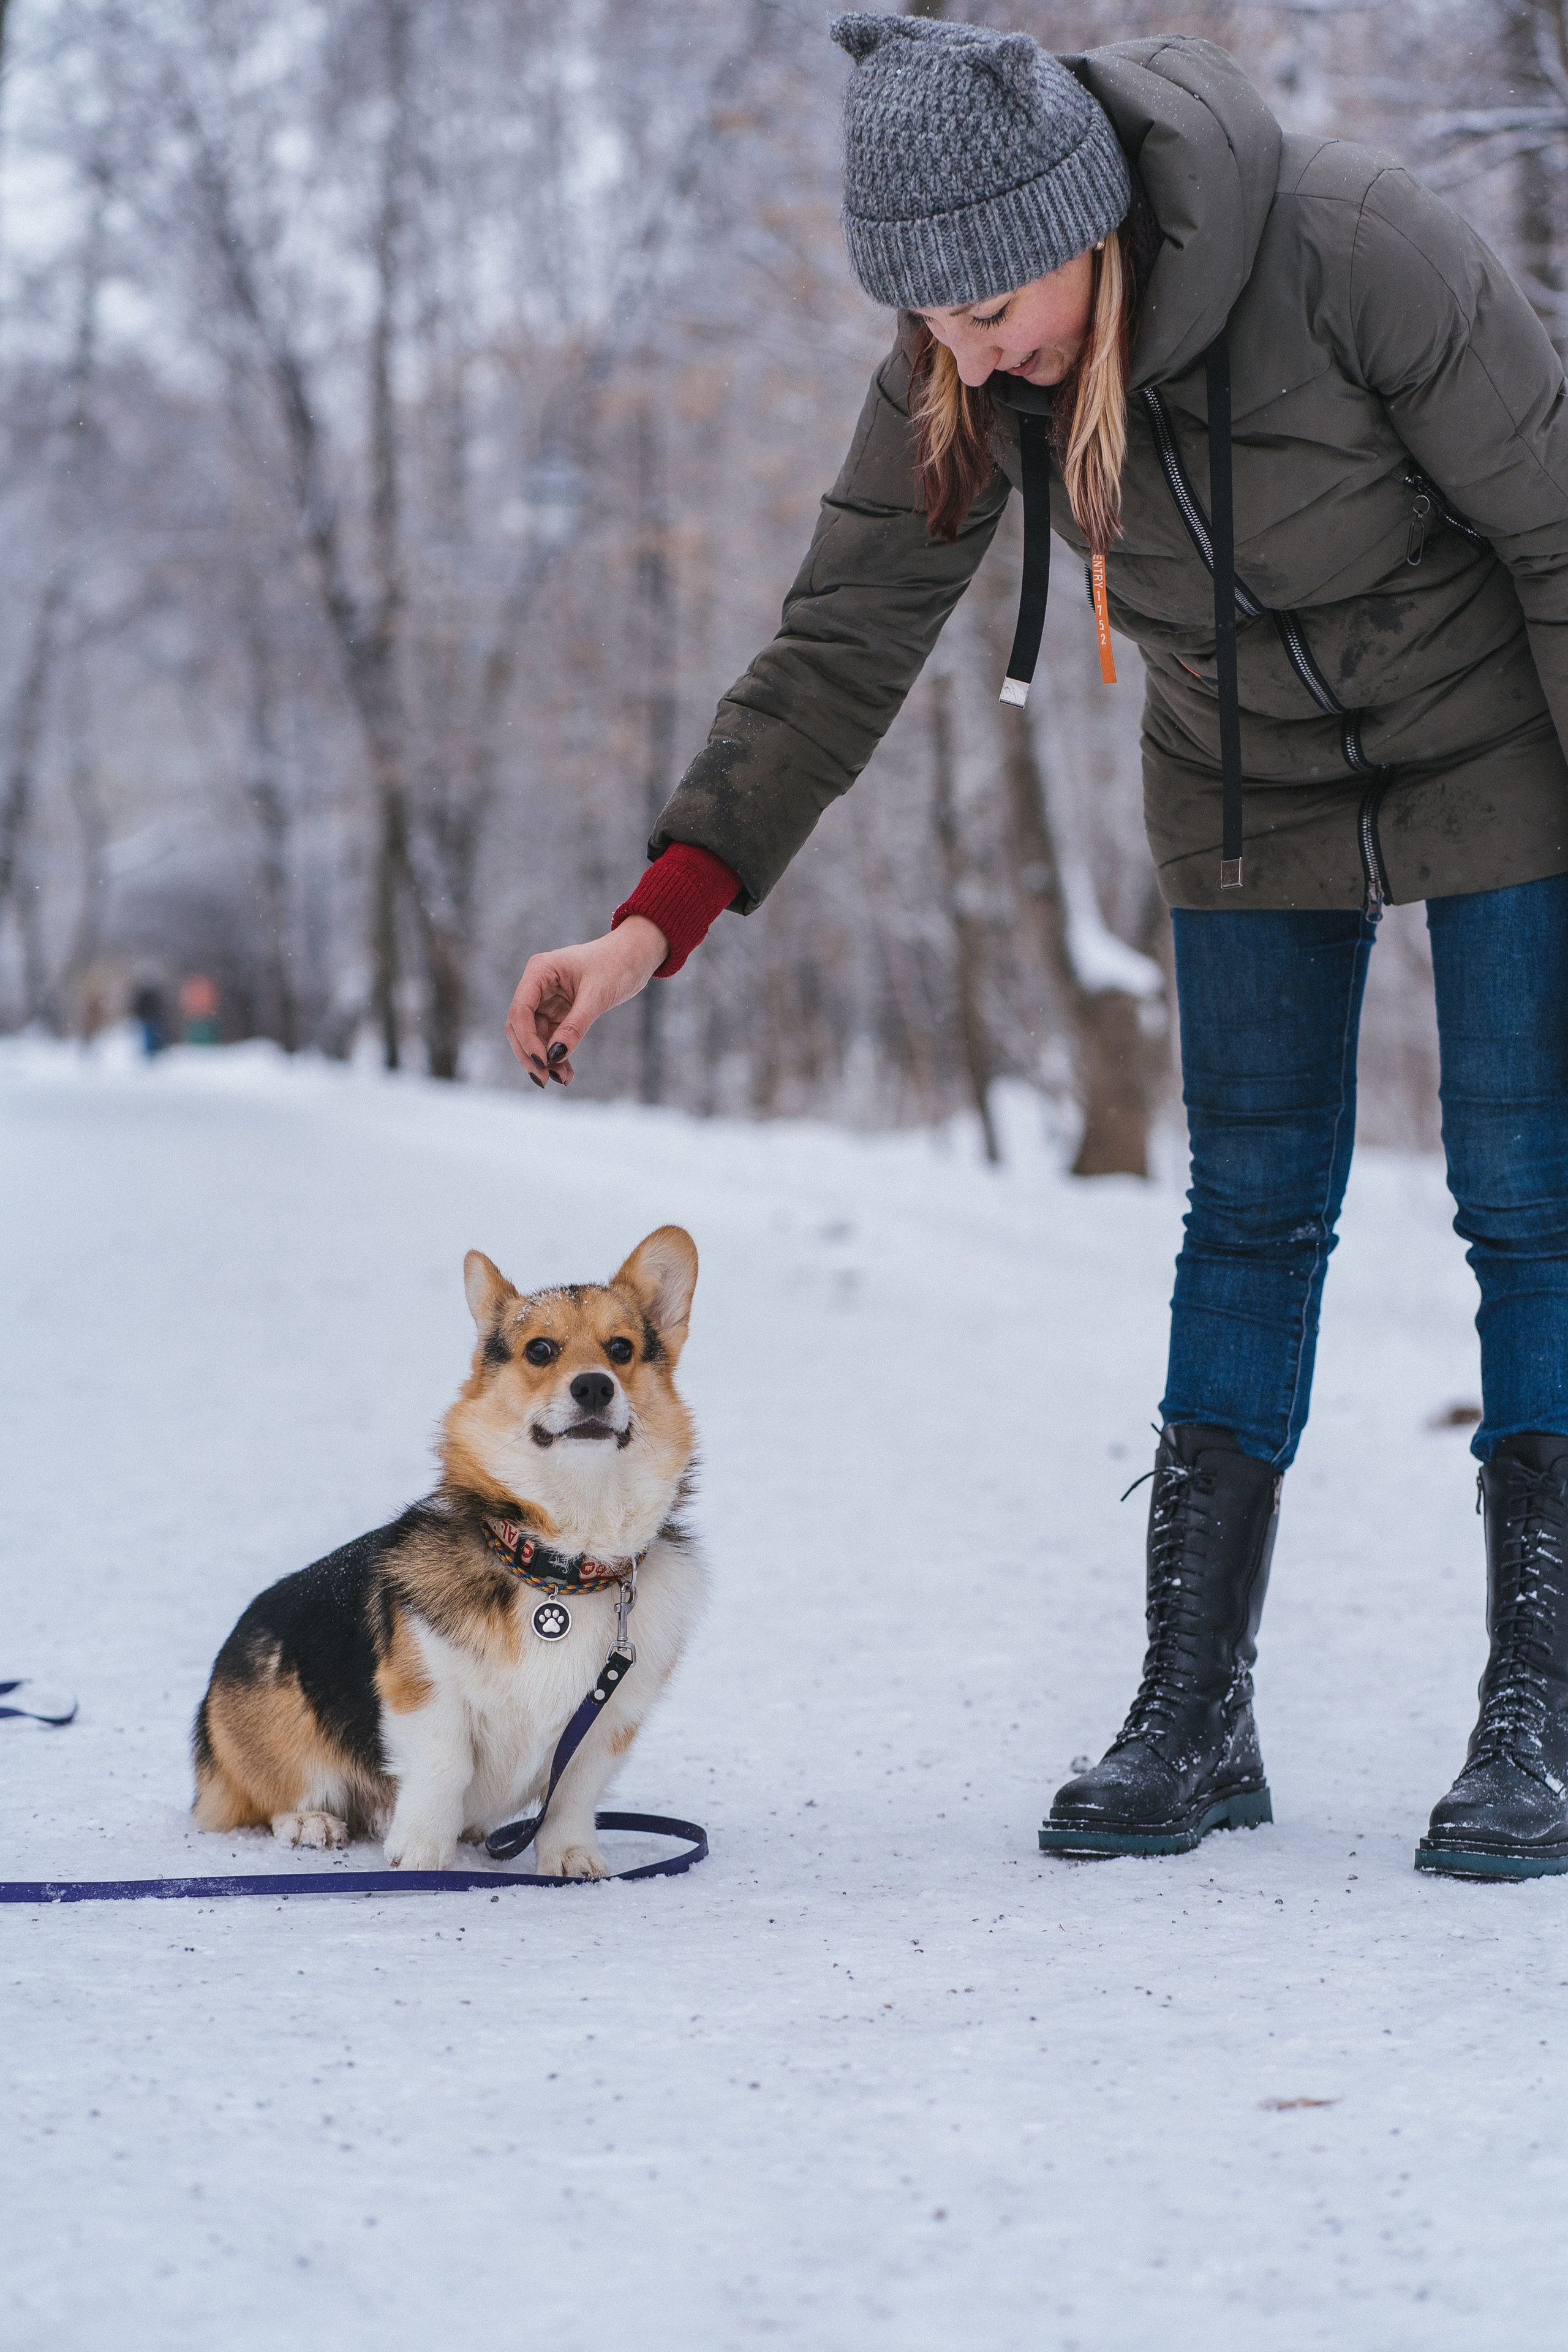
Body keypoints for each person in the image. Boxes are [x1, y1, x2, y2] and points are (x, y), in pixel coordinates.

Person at [507, 19, 1568, 1881]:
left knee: (1530, 1198)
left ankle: (1540, 1705)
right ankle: (1193, 1705)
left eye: (999, 307)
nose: (979, 353)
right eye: (940, 328)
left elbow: (1562, 532)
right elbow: (843, 636)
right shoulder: (965, 363)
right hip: (1244, 789)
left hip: (1495, 741)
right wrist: (657, 917)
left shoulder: (1352, 246)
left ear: (1089, 223)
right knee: (1247, 1210)